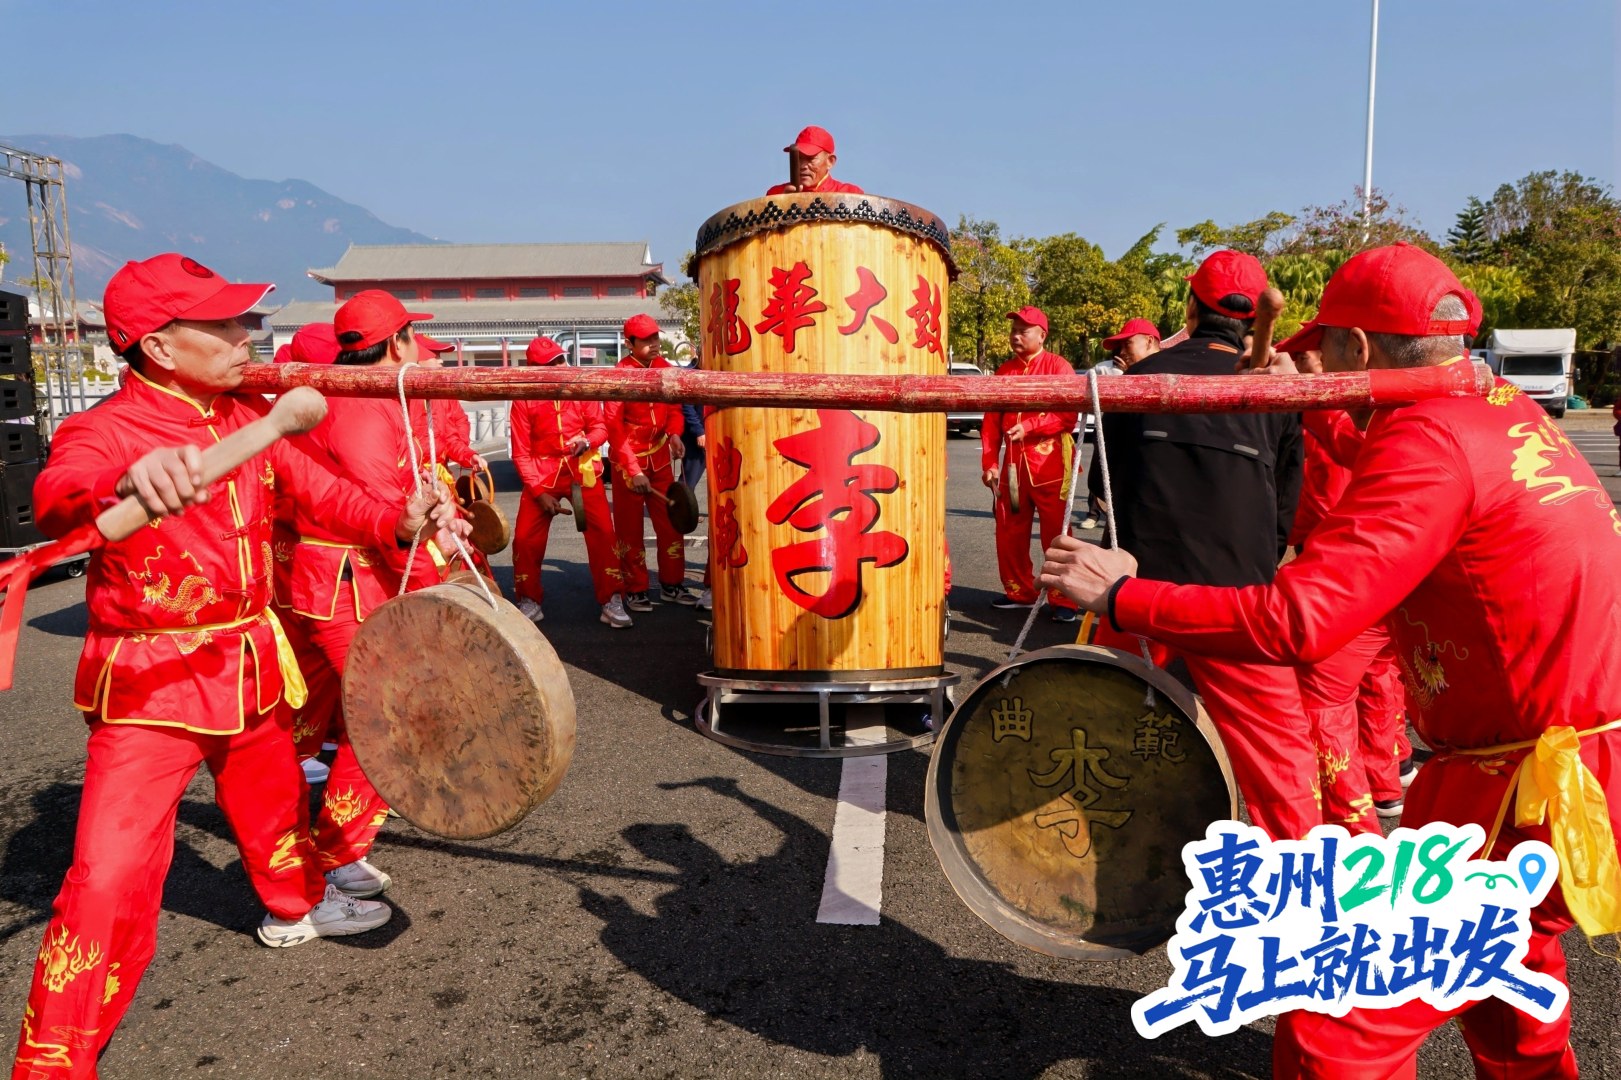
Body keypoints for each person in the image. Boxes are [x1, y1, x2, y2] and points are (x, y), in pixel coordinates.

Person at [1041, 242, 1621, 1079]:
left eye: (1320, 351)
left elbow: (1297, 619)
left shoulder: (1429, 439)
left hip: (1526, 779)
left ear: (1355, 350)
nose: (1308, 360)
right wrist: (1309, 407)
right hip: (1562, 748)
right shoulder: (1495, 407)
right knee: (1510, 979)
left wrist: (1122, 595)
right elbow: (1391, 464)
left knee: (1339, 1017)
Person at [13, 255, 461, 1079]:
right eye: (219, 324)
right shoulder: (108, 429)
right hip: (150, 682)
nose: (243, 335)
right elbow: (59, 490)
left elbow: (325, 496)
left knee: (275, 806)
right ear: (157, 346)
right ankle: (52, 1061)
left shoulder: (242, 414)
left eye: (240, 320)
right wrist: (124, 477)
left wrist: (399, 520)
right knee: (106, 879)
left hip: (250, 658)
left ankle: (294, 907)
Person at [1082, 249, 1316, 841]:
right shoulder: (1275, 394)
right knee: (1279, 763)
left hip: (1139, 592)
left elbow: (1104, 489)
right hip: (1239, 602)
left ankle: (1113, 843)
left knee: (1103, 726)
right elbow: (1286, 504)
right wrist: (1258, 563)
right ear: (1249, 319)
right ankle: (1300, 883)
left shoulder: (1139, 380)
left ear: (1191, 305)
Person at [280, 290, 453, 900]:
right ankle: (329, 858)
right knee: (386, 720)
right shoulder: (358, 409)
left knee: (361, 716)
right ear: (396, 343)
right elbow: (383, 512)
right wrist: (434, 578)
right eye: (412, 337)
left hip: (359, 575)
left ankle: (306, 842)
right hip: (346, 580)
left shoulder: (373, 398)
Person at [509, 336, 628, 628]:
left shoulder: (580, 388)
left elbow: (599, 428)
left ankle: (611, 599)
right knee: (525, 539)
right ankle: (529, 600)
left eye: (561, 359)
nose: (561, 366)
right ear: (534, 370)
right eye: (552, 363)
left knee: (603, 534)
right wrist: (538, 493)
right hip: (542, 471)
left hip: (582, 468)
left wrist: (587, 441)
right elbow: (521, 452)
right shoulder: (523, 399)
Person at [979, 306, 1080, 623]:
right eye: (1014, 330)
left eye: (1024, 330)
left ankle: (1065, 598)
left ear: (1042, 335)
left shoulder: (1059, 367)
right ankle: (1020, 592)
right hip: (1012, 466)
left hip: (1050, 464)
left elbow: (1068, 416)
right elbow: (990, 423)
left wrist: (1032, 426)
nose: (1015, 336)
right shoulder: (1003, 372)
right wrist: (989, 463)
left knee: (1058, 534)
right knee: (1009, 530)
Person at [605, 314, 696, 610]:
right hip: (628, 463)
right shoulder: (618, 376)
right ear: (629, 343)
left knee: (671, 523)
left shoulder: (665, 369)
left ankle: (672, 584)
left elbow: (675, 409)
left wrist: (674, 435)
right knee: (630, 530)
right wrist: (632, 470)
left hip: (659, 459)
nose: (655, 344)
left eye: (656, 338)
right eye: (646, 340)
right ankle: (636, 588)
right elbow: (613, 428)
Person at [766, 125, 863, 196]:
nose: (803, 166)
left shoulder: (850, 194)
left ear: (830, 161)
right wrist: (781, 205)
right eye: (798, 159)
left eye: (810, 159)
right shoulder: (776, 194)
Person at [1096, 317, 1162, 375]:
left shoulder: (1168, 366)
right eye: (1121, 347)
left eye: (1127, 344)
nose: (1121, 352)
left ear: (1149, 341)